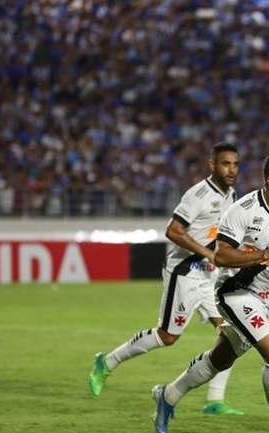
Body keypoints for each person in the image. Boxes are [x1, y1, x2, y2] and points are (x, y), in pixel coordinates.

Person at [151, 152, 269, 433]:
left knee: (220, 359)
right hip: (233, 291)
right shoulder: (243, 210)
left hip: (266, 298)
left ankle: (168, 395)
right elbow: (222, 255)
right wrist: (264, 253)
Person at [89, 142, 245, 415]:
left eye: (235, 164)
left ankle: (215, 400)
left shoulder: (232, 196)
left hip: (209, 276)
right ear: (212, 164)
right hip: (184, 271)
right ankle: (107, 362)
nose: (231, 169)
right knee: (167, 336)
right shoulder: (198, 194)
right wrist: (207, 255)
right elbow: (173, 231)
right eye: (225, 163)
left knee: (231, 334)